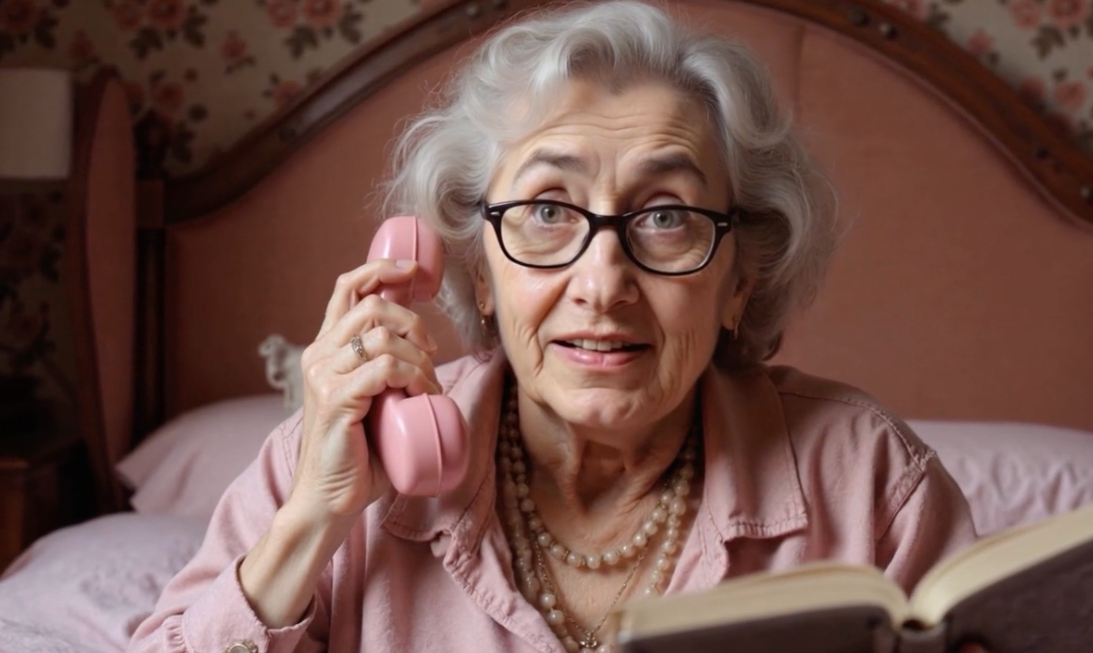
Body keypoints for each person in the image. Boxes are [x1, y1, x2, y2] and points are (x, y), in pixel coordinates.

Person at [130, 2, 982, 652]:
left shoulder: (869, 483)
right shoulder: (325, 466)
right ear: (475, 269)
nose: (602, 283)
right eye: (546, 209)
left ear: (738, 279)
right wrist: (311, 522)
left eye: (665, 216)